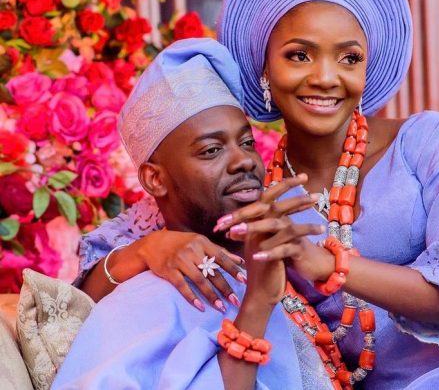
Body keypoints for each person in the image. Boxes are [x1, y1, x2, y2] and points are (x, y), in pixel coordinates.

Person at [74, 0, 439, 389]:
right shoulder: (252, 190)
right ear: (265, 69)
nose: (326, 77)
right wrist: (149, 249)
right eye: (299, 55)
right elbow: (86, 288)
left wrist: (323, 263)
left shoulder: (427, 142)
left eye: (349, 58)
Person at [53, 38, 335, 389]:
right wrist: (257, 303)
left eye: (246, 143)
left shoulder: (285, 248)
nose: (244, 161)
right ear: (155, 179)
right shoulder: (147, 301)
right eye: (212, 150)